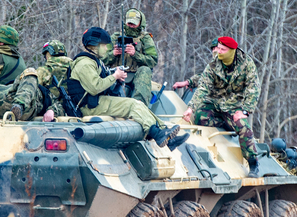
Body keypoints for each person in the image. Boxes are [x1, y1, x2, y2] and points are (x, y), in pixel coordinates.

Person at [67, 27, 188, 150]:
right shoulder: (84, 63)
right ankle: (158, 135)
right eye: (104, 45)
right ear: (94, 45)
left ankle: (167, 136)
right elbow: (95, 87)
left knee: (138, 103)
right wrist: (115, 76)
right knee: (133, 105)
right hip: (90, 107)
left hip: (96, 102)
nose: (106, 48)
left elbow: (101, 86)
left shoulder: (93, 62)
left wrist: (117, 80)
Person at [181, 36, 261, 177]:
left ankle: (253, 163)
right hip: (215, 103)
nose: (219, 52)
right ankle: (221, 132)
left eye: (223, 49)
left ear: (232, 50)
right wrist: (191, 108)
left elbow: (253, 88)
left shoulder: (246, 64)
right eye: (218, 48)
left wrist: (245, 111)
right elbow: (203, 87)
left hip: (233, 106)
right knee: (200, 116)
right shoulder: (214, 64)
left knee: (242, 126)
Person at [102, 8, 158, 105]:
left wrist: (135, 54)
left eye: (134, 24)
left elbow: (153, 61)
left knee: (145, 70)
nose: (131, 26)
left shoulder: (145, 39)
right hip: (116, 74)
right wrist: (113, 54)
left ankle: (139, 105)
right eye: (129, 23)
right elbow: (101, 59)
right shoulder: (115, 37)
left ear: (140, 23)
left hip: (136, 77)